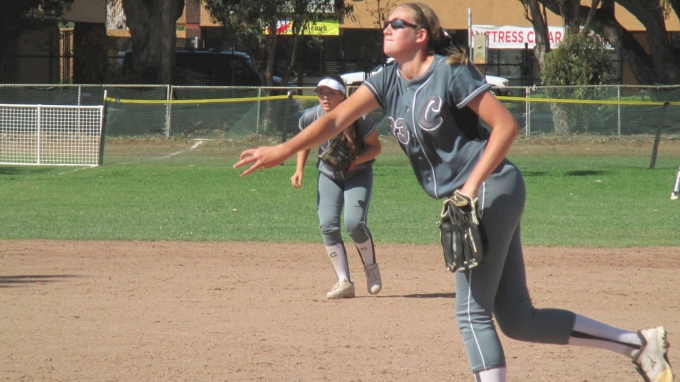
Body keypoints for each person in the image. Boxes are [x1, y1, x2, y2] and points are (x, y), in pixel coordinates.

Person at [234, 3, 674, 381]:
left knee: (470, 314)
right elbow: (334, 121)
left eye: (397, 23)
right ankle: (638, 345)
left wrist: (468, 189)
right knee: (518, 319)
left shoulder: (451, 71)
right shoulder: (387, 79)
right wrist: (283, 150)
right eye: (386, 23)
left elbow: (506, 127)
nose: (386, 28)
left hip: (489, 186)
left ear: (421, 35)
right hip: (476, 195)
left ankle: (637, 346)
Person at [291, 75, 383, 299]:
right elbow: (304, 142)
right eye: (321, 92)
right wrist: (299, 169)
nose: (325, 97)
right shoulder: (311, 116)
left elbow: (375, 148)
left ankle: (370, 268)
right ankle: (344, 282)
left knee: (354, 224)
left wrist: (356, 161)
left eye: (330, 92)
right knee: (328, 226)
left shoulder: (360, 118)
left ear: (343, 95)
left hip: (358, 174)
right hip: (328, 175)